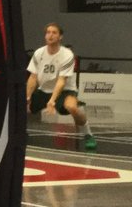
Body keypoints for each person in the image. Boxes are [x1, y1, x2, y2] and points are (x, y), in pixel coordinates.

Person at [26, 22, 96, 150]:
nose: (50, 35)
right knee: (19, 107)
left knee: (72, 107)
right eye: (48, 32)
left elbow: (61, 80)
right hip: (43, 90)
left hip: (65, 91)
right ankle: (19, 133)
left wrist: (52, 101)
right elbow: (33, 77)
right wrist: (28, 97)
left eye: (54, 33)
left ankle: (88, 135)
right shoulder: (38, 53)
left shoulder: (67, 54)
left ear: (60, 37)